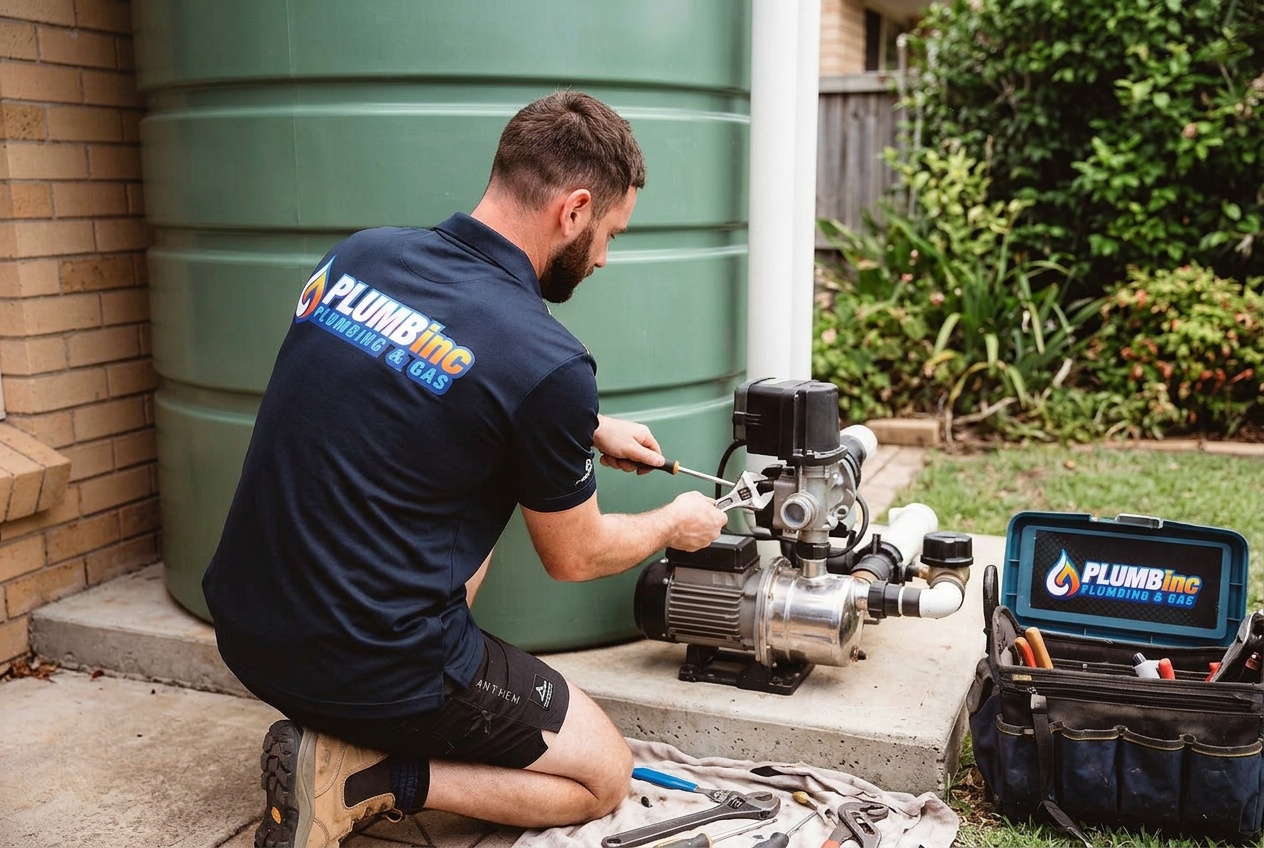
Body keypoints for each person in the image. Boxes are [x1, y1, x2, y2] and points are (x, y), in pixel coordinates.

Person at [202, 90, 729, 848]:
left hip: (247, 628)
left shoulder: (360, 254)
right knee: (602, 777)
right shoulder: (547, 360)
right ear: (574, 210)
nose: (607, 256)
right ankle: (366, 776)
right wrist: (672, 525)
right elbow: (575, 558)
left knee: (476, 472)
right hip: (364, 663)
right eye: (611, 232)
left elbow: (422, 382)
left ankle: (374, 704)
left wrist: (582, 428)